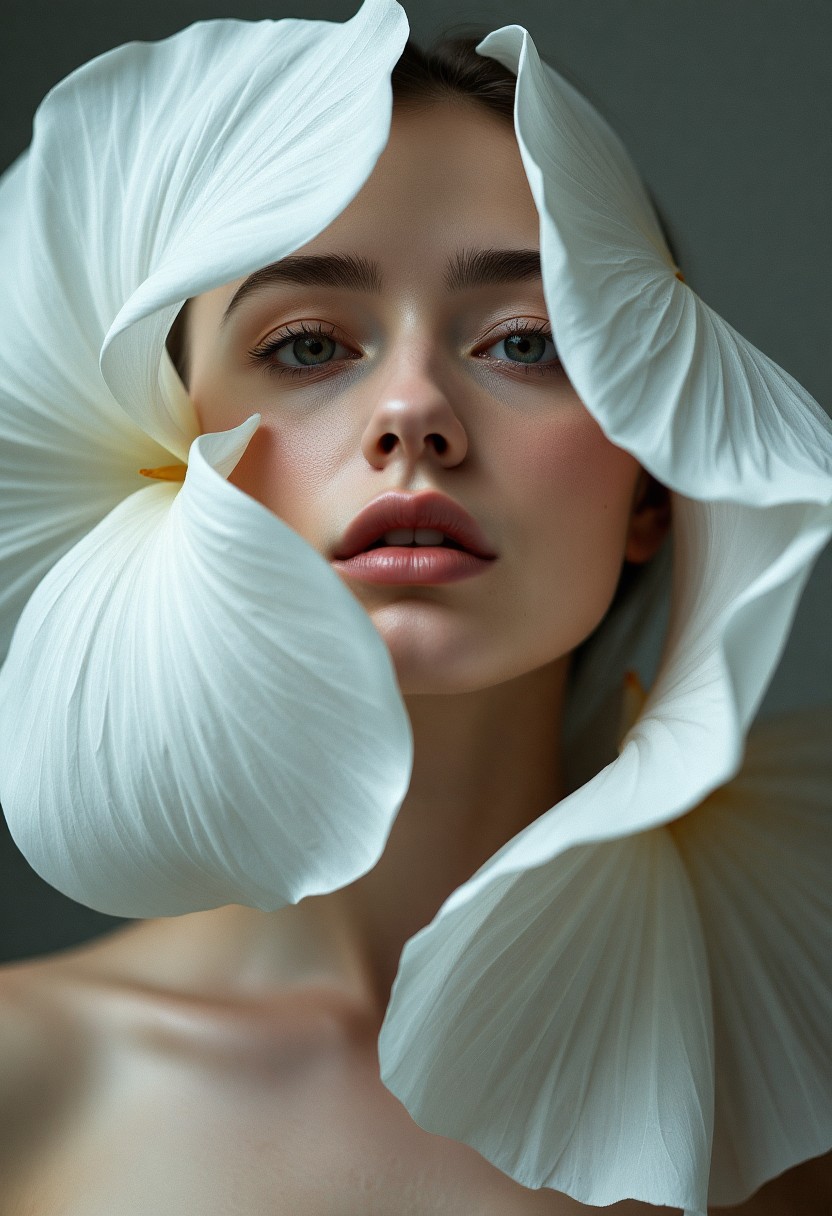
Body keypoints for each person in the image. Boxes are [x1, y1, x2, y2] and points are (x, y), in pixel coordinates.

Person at [0, 4, 830, 1213]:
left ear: (653, 471)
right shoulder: (30, 1083)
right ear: (169, 451)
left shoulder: (792, 1059)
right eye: (302, 345)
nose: (412, 412)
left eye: (525, 342)